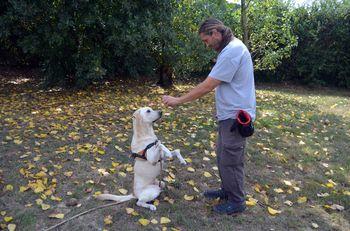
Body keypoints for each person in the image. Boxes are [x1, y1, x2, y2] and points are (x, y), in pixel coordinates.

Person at [162, 18, 256, 215]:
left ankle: (237, 201)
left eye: (206, 40)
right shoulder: (229, 49)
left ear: (215, 33)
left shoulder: (232, 51)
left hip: (235, 117)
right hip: (228, 115)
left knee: (231, 159)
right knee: (223, 156)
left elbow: (208, 85)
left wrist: (178, 100)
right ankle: (228, 191)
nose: (206, 45)